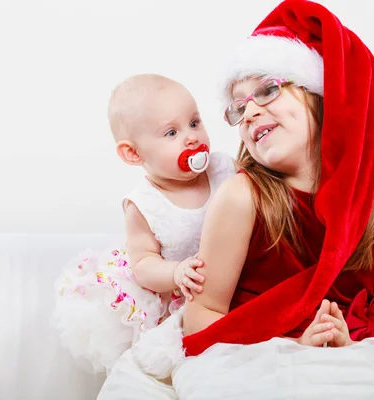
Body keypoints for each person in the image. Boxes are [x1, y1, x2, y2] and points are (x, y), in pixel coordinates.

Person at [97, 1, 374, 399]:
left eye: (267, 90)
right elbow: (202, 320)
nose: (250, 111)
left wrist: (351, 352)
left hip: (360, 367)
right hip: (258, 361)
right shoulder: (242, 198)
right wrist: (288, 348)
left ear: (322, 97)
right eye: (238, 108)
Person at [53, 74, 237, 374]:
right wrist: (176, 272)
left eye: (194, 122)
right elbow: (143, 263)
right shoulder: (145, 205)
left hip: (231, 284)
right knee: (188, 363)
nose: (191, 137)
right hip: (183, 300)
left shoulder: (223, 168)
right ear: (134, 153)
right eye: (171, 133)